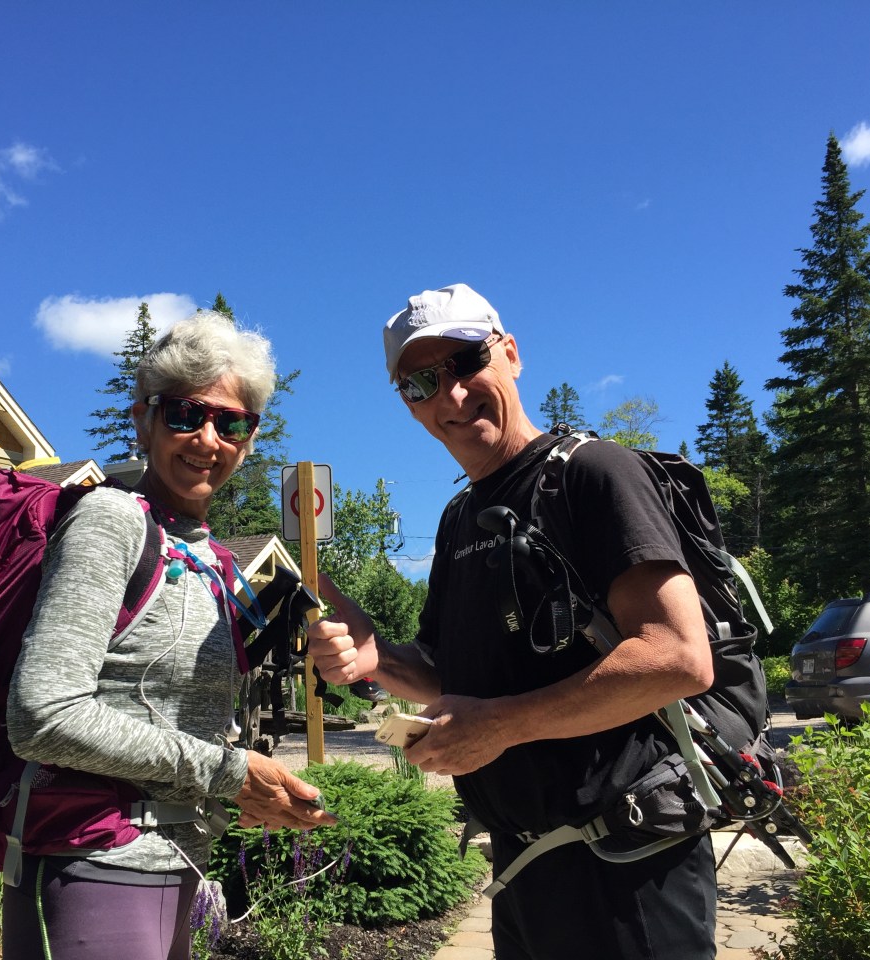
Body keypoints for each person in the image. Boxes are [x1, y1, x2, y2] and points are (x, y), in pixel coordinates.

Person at [308, 283, 720, 960]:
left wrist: (499, 726)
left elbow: (678, 657)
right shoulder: (459, 518)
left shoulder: (594, 474)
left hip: (629, 867)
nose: (450, 394)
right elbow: (449, 675)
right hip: (525, 869)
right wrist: (377, 656)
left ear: (512, 354)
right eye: (418, 383)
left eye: (466, 361)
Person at [5, 310, 331, 960]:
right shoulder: (111, 522)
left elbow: (166, 718)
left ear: (250, 438)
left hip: (174, 861)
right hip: (94, 860)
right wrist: (229, 773)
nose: (209, 439)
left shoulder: (207, 555)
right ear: (144, 419)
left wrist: (248, 791)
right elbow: (41, 715)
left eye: (231, 423)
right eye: (186, 414)